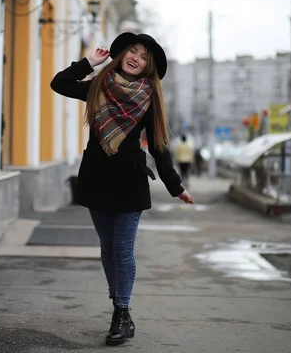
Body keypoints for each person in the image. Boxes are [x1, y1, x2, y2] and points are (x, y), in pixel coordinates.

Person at [50, 32, 194, 346]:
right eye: (133, 51)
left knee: (123, 250)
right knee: (107, 249)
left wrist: (175, 186)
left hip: (130, 182)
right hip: (97, 179)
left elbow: (159, 145)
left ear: (148, 66)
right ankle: (120, 307)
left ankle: (121, 311)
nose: (136, 58)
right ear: (122, 54)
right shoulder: (98, 86)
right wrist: (89, 63)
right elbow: (58, 83)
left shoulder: (149, 97)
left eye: (143, 56)